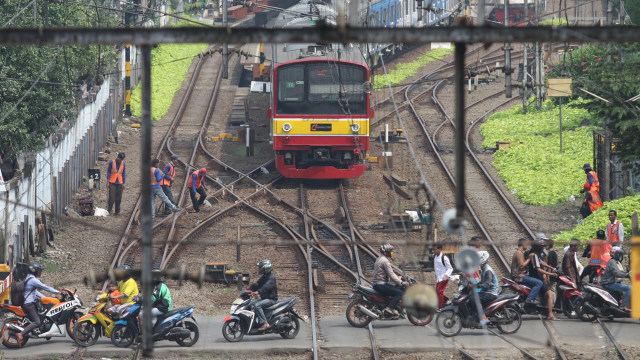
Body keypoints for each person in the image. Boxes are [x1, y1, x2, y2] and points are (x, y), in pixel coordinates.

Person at [16, 262, 60, 344]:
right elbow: (45, 287)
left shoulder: (28, 278)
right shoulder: (33, 280)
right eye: (39, 271)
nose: (40, 272)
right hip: (28, 304)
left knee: (42, 315)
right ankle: (21, 334)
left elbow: (35, 292)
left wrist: (46, 298)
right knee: (37, 322)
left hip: (28, 303)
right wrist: (58, 292)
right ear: (34, 271)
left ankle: (44, 331)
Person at [372, 244, 408, 317]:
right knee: (400, 293)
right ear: (386, 252)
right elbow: (391, 275)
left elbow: (388, 274)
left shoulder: (379, 258)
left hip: (378, 284)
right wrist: (401, 282)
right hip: (381, 285)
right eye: (391, 252)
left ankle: (394, 308)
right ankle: (389, 308)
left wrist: (398, 278)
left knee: (396, 288)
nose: (392, 253)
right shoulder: (385, 261)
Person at [528, 236, 558, 320]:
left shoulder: (536, 255)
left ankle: (545, 310)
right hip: (537, 278)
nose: (543, 248)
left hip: (538, 278)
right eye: (542, 247)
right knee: (551, 294)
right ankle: (550, 314)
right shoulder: (534, 256)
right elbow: (538, 269)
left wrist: (552, 268)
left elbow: (543, 263)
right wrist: (550, 274)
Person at [510, 238, 543, 305]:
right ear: (523, 244)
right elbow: (521, 266)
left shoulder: (519, 252)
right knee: (539, 283)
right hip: (519, 276)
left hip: (520, 275)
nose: (527, 246)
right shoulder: (519, 253)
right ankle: (530, 299)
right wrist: (529, 258)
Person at [249, 260, 278, 331]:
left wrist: (257, 292)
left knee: (257, 305)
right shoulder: (264, 277)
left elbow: (265, 287)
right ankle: (254, 321)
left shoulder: (271, 278)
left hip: (271, 299)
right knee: (251, 303)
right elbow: (257, 284)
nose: (259, 270)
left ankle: (265, 323)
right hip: (265, 298)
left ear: (266, 269)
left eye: (261, 268)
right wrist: (248, 290)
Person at [601, 246, 631, 311]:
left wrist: (627, 273)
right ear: (615, 253)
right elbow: (617, 273)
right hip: (609, 284)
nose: (621, 256)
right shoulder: (612, 262)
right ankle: (622, 306)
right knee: (630, 288)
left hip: (610, 282)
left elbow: (620, 272)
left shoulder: (614, 261)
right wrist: (627, 275)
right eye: (620, 254)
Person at [433, 244, 453, 309]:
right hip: (439, 277)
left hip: (444, 277)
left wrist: (446, 275)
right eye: (433, 249)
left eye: (435, 249)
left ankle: (441, 307)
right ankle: (447, 301)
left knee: (439, 291)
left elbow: (450, 268)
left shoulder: (444, 258)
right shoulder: (434, 256)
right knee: (438, 292)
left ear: (440, 249)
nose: (433, 251)